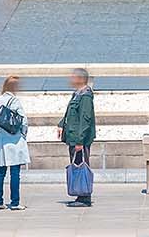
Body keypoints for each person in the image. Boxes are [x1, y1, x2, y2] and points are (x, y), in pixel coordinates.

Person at [0, 75, 30, 210]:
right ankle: (14, 202)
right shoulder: (15, 101)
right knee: (14, 173)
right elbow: (23, 121)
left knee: (0, 172)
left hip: (0, 140)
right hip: (14, 139)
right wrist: (24, 134)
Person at [60, 67, 97, 207]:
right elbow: (70, 113)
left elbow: (85, 119)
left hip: (79, 138)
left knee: (82, 165)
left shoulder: (85, 96)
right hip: (73, 136)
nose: (71, 79)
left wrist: (80, 140)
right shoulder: (77, 94)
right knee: (77, 165)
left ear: (80, 79)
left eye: (73, 77)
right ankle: (79, 194)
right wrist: (61, 124)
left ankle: (85, 196)